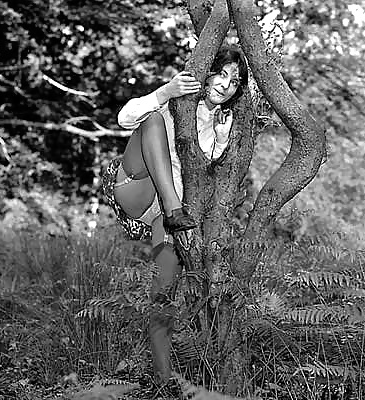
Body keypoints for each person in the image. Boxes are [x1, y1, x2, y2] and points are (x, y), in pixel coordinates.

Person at [102, 44, 248, 385]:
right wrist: (165, 91)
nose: (226, 85)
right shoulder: (177, 100)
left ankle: (164, 379)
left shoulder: (226, 124)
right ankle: (172, 209)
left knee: (163, 288)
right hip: (139, 189)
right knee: (151, 119)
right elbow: (125, 118)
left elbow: (207, 176)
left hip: (175, 211)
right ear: (207, 73)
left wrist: (222, 135)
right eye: (221, 74)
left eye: (235, 81)